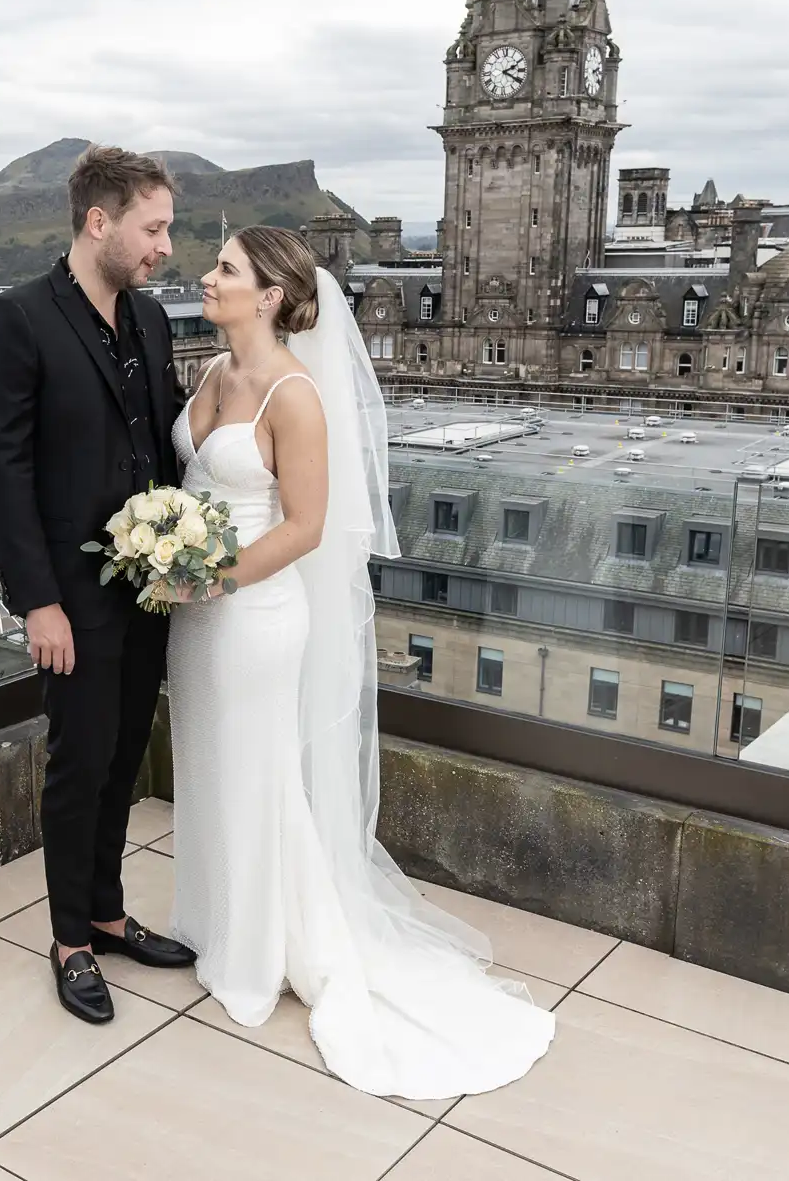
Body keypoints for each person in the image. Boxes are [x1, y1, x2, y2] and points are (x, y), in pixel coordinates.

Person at [161, 226, 556, 1099]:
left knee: (261, 771)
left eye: (224, 268)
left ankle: (259, 953)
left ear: (268, 295)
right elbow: (194, 487)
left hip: (254, 612)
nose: (207, 276)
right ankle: (217, 921)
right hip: (194, 617)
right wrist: (167, 555)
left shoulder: (295, 395)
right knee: (211, 763)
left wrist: (210, 578)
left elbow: (305, 524)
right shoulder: (210, 375)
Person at [0, 145, 199, 1025]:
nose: (164, 246)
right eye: (153, 227)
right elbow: (3, 468)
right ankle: (69, 940)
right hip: (69, 596)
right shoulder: (15, 320)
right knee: (76, 767)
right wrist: (38, 601)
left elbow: (162, 442)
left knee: (122, 759)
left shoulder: (150, 320)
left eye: (167, 228)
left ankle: (108, 911)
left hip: (148, 589)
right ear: (99, 222)